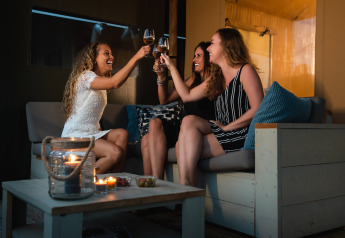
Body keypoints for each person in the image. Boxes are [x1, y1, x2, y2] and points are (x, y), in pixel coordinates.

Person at [161, 28, 264, 186]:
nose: (208, 48)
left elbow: (258, 108)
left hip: (239, 132)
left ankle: (186, 193)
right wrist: (171, 67)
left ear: (227, 46)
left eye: (213, 43)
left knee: (183, 146)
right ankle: (186, 189)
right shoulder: (217, 77)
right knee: (188, 121)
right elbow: (186, 96)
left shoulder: (245, 71)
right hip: (221, 129)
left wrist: (228, 127)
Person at [62, 41, 150, 173]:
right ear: (94, 59)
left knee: (122, 134)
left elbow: (92, 116)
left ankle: (113, 179)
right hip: (76, 135)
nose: (111, 57)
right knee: (115, 153)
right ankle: (81, 178)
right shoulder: (85, 77)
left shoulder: (99, 82)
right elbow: (115, 83)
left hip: (91, 133)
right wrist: (137, 56)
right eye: (106, 53)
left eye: (111, 54)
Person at [141, 42, 215, 179]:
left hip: (199, 127)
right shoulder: (191, 80)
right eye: (194, 56)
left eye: (199, 56)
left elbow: (186, 97)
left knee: (148, 139)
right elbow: (164, 99)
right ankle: (150, 185)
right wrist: (161, 76)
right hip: (183, 127)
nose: (194, 60)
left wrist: (171, 67)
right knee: (151, 129)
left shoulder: (213, 80)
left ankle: (156, 183)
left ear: (208, 58)